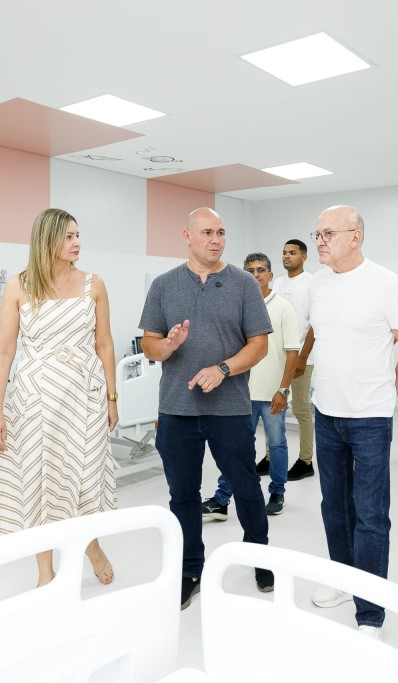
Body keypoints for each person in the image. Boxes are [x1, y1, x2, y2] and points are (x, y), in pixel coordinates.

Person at [139, 207, 274, 610]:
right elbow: (149, 344)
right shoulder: (163, 285)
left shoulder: (244, 284)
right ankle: (189, 570)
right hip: (176, 409)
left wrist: (223, 369)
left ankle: (259, 556)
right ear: (187, 236)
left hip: (229, 408)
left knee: (246, 486)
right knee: (182, 494)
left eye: (221, 232)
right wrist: (168, 346)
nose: (216, 240)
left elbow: (259, 344)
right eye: (207, 232)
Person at [300, 205, 398, 638]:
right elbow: (320, 339)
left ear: (355, 236)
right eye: (317, 234)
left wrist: (388, 393)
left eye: (328, 233)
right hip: (326, 413)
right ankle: (343, 579)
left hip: (369, 417)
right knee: (334, 507)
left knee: (370, 514)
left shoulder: (386, 283)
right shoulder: (317, 284)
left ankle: (370, 613)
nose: (320, 241)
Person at [0, 208, 119, 589]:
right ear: (47, 240)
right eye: (69, 236)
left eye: (78, 235)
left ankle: (92, 547)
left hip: (84, 398)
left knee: (85, 479)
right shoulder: (19, 287)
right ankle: (45, 571)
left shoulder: (94, 285)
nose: (77, 243)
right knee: (39, 481)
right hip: (35, 400)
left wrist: (112, 398)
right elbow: (3, 351)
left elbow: (105, 344)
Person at [204, 252, 300, 518]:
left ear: (270, 275)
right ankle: (222, 499)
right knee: (236, 447)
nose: (256, 275)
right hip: (241, 392)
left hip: (272, 394)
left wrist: (283, 390)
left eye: (260, 270)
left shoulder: (283, 308)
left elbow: (293, 352)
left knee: (277, 444)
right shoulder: (237, 305)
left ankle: (277, 492)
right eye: (250, 271)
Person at [256, 238, 316, 481]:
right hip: (276, 359)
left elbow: (314, 324)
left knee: (301, 410)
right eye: (284, 252)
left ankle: (306, 461)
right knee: (272, 407)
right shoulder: (278, 283)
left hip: (301, 358)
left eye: (292, 252)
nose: (286, 256)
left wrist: (303, 357)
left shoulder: (311, 283)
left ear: (304, 257)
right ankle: (270, 457)